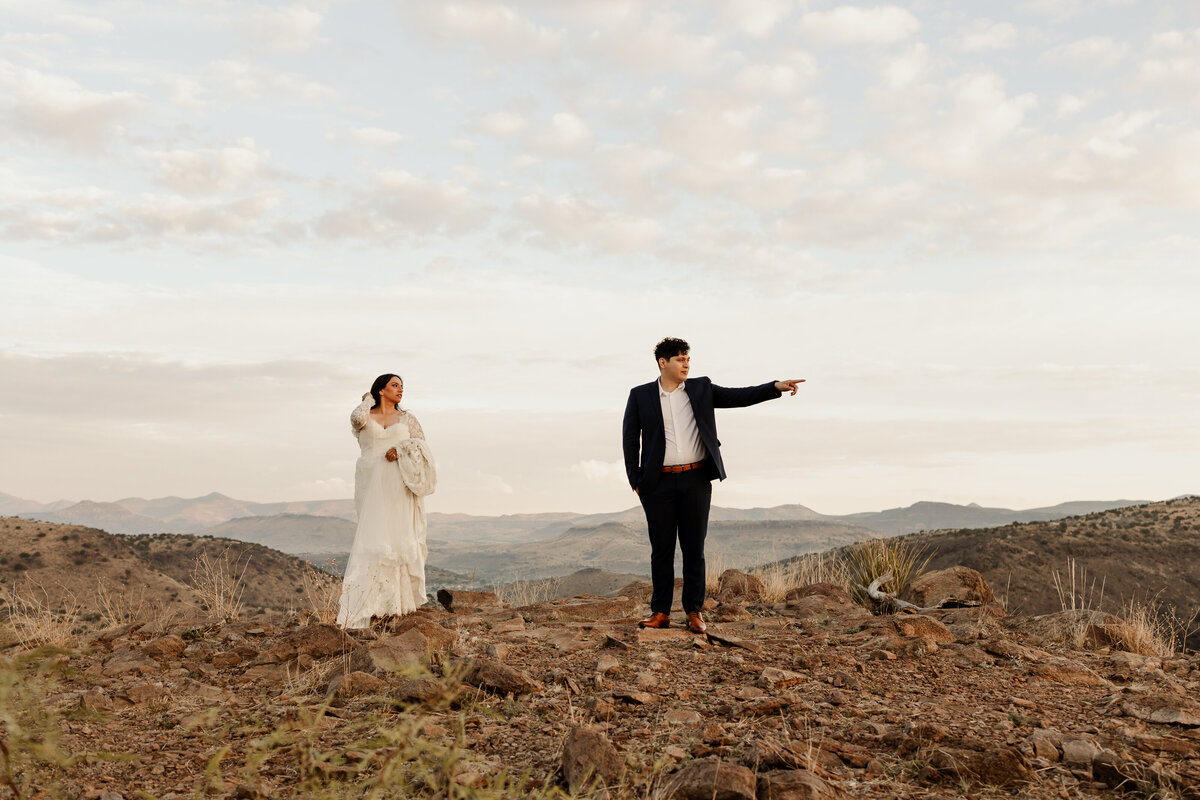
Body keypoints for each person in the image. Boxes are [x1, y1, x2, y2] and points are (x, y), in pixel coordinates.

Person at [622, 338, 803, 634]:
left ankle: (694, 612)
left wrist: (775, 387)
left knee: (694, 548)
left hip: (696, 479)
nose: (686, 364)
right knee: (662, 550)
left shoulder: (701, 388)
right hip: (658, 484)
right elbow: (630, 439)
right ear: (662, 363)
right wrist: (636, 481)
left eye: (688, 359)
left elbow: (738, 396)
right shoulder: (640, 395)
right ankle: (660, 612)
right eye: (680, 359)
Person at [337, 374, 437, 629]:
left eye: (402, 386)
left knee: (397, 539)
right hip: (370, 485)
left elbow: (423, 448)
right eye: (395, 385)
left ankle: (395, 607)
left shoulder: (407, 419)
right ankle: (368, 607)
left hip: (397, 485)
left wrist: (402, 450)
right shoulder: (365, 416)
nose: (400, 390)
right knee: (373, 541)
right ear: (381, 390)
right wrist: (366, 400)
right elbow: (356, 420)